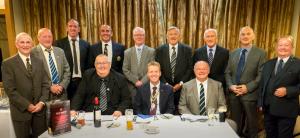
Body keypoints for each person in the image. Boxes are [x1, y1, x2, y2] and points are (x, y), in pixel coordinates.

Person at [2, 32, 50, 138]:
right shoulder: (8, 64)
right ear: (16, 44)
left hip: (39, 111)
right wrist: (27, 105)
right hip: (21, 112)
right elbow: (10, 90)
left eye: (28, 42)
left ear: (32, 44)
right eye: (22, 42)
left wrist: (41, 102)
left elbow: (46, 84)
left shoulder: (39, 61)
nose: (25, 45)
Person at [225, 26, 266, 138]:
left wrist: (247, 88)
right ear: (239, 37)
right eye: (243, 34)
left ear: (253, 36)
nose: (245, 36)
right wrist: (230, 86)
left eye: (248, 34)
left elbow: (261, 75)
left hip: (250, 95)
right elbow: (227, 73)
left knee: (252, 126)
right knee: (234, 124)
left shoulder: (261, 53)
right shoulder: (233, 53)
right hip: (234, 94)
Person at [258, 36, 300, 138]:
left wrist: (288, 91)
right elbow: (262, 85)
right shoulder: (268, 64)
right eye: (280, 45)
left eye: (286, 45)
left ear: (292, 47)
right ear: (276, 48)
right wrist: (260, 103)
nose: (283, 48)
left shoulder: (298, 64)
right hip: (268, 110)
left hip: (287, 110)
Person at [155, 26, 193, 114]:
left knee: (181, 114)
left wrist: (180, 83)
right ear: (167, 37)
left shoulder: (187, 49)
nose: (173, 36)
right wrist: (166, 84)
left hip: (182, 88)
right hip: (164, 88)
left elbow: (189, 68)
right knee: (166, 113)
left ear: (179, 36)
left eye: (175, 34)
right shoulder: (159, 50)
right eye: (170, 34)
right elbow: (158, 69)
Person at [54, 19, 90, 101]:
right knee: (67, 108)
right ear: (66, 28)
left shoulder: (86, 44)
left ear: (79, 29)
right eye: (70, 26)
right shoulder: (58, 44)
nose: (73, 28)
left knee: (82, 107)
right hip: (66, 83)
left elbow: (89, 64)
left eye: (75, 26)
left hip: (82, 82)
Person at [32, 28, 71, 100]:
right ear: (38, 38)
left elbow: (67, 71)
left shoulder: (60, 51)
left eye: (50, 36)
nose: (48, 39)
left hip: (61, 94)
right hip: (43, 96)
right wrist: (50, 86)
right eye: (44, 37)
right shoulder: (32, 53)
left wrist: (62, 86)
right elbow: (34, 76)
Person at [123, 27, 155, 102]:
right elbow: (125, 69)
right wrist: (135, 81)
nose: (139, 37)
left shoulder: (151, 51)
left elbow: (152, 69)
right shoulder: (127, 52)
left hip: (147, 84)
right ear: (133, 37)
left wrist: (142, 82)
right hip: (131, 86)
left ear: (144, 36)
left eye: (141, 35)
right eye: (136, 35)